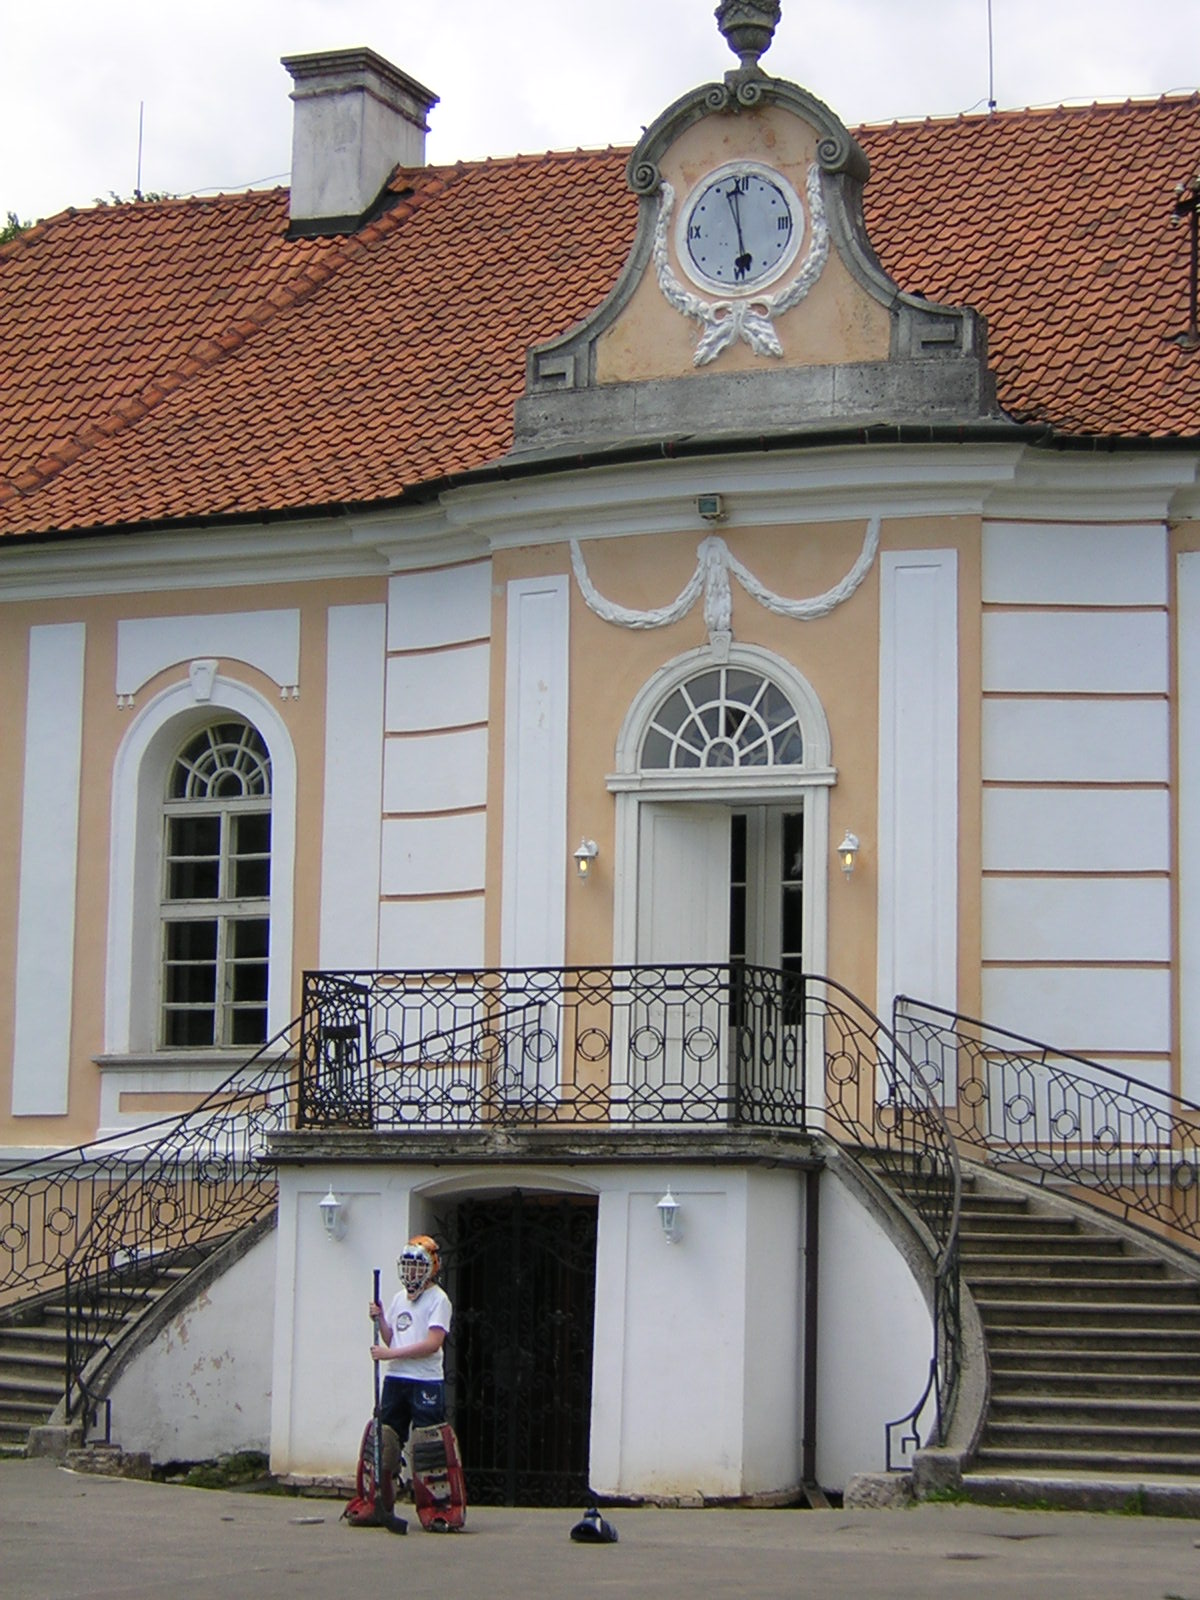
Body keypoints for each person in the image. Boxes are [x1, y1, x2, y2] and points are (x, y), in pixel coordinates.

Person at [369, 1235, 452, 1456]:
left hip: (425, 1379)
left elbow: (433, 1344)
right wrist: (380, 1318)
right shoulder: (399, 1298)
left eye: (417, 1266)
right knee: (387, 1439)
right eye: (408, 1266)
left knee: (428, 1443)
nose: (411, 1272)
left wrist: (390, 1354)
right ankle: (390, 1476)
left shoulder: (439, 1299)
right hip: (396, 1377)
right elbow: (392, 1338)